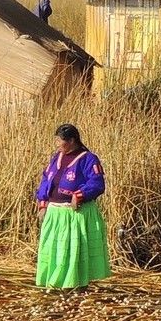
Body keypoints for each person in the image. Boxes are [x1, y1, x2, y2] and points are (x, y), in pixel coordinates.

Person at [34, 123, 111, 289]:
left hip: (75, 214)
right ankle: (54, 282)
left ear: (72, 140)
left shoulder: (89, 159)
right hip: (55, 214)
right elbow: (46, 180)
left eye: (59, 140)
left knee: (72, 252)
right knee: (56, 251)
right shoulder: (56, 158)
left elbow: (97, 183)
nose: (57, 143)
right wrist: (43, 204)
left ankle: (75, 284)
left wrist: (80, 195)